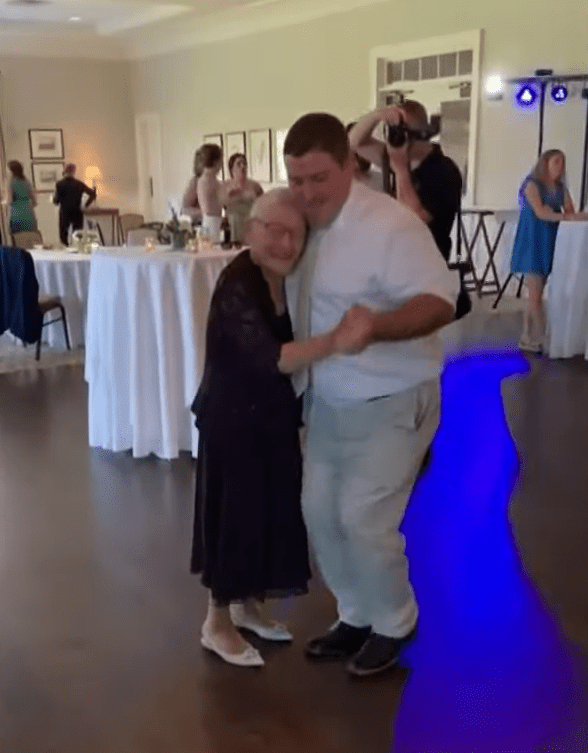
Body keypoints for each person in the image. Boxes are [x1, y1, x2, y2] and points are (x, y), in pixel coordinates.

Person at [283, 113, 459, 677]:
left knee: (363, 517)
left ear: (348, 166)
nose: (307, 192)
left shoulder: (390, 225)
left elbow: (439, 301)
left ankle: (395, 621)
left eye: (318, 178)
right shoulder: (305, 225)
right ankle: (355, 613)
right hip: (329, 399)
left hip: (393, 395)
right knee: (319, 513)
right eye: (297, 179)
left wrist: (377, 326)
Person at [190, 189, 367, 668]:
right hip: (232, 420)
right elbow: (273, 357)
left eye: (297, 235)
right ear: (251, 231)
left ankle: (247, 609)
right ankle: (216, 622)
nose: (287, 244)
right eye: (276, 232)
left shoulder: (282, 280)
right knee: (234, 518)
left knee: (266, 515)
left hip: (268, 416)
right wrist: (336, 341)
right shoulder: (238, 283)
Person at [349, 101, 462, 262]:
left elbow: (415, 221)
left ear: (421, 134)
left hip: (426, 267)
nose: (397, 140)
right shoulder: (399, 158)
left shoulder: (444, 170)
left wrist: (401, 170)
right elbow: (355, 143)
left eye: (402, 133)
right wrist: (376, 115)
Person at [510, 149, 587, 353]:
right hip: (533, 241)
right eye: (556, 162)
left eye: (562, 163)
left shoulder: (560, 188)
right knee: (535, 293)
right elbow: (541, 213)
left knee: (537, 292)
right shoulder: (531, 185)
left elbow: (570, 211)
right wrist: (567, 217)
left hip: (550, 241)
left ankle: (527, 336)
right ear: (545, 164)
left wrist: (570, 216)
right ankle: (543, 336)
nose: (560, 167)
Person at [223, 153, 264, 243]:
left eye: (244, 164)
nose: (243, 166)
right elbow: (217, 207)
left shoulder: (255, 186)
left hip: (252, 228)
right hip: (233, 229)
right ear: (231, 168)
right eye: (239, 164)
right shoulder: (225, 186)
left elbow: (264, 207)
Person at [53, 164, 96, 246]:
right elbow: (93, 194)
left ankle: (66, 252)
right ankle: (76, 252)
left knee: (63, 236)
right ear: (73, 172)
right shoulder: (79, 184)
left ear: (65, 171)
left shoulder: (59, 184)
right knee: (78, 236)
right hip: (77, 212)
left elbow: (56, 201)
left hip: (64, 212)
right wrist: (85, 205)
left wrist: (53, 199)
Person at [196, 144, 224, 243]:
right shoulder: (205, 180)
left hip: (216, 223)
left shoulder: (215, 181)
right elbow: (208, 208)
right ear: (216, 161)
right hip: (210, 223)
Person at [6, 161, 37, 235]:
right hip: (29, 214)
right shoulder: (27, 182)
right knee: (31, 240)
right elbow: (35, 201)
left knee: (18, 241)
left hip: (16, 215)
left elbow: (9, 200)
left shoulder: (11, 183)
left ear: (12, 171)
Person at [181, 149, 204, 224]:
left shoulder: (214, 181)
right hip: (199, 226)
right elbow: (184, 210)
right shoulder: (195, 182)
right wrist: (204, 212)